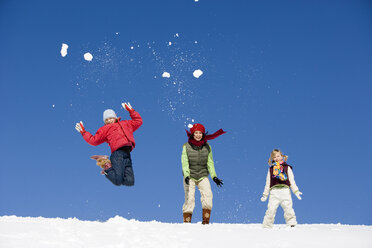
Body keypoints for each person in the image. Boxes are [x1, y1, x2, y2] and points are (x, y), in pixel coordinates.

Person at [75, 102, 143, 186]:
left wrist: (131, 111)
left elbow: (138, 121)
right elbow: (93, 140)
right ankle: (106, 165)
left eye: (110, 118)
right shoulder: (105, 129)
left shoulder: (126, 124)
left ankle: (111, 169)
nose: (109, 120)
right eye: (106, 120)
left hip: (127, 154)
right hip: (117, 154)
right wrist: (83, 132)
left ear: (115, 117)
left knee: (129, 182)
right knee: (117, 181)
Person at [181, 123, 225, 224]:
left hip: (202, 175)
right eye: (196, 133)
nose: (198, 135)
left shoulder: (207, 147)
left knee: (208, 195)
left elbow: (210, 162)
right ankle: (187, 222)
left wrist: (214, 177)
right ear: (192, 134)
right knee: (190, 197)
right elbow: (184, 162)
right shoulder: (186, 146)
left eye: (200, 133)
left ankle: (206, 221)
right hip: (190, 176)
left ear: (203, 134)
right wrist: (187, 175)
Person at [261, 149, 302, 228]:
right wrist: (265, 194)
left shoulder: (287, 167)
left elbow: (291, 180)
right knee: (271, 209)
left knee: (288, 207)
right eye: (274, 157)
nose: (277, 158)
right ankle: (267, 225)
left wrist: (296, 191)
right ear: (272, 159)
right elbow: (268, 183)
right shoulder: (271, 169)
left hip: (285, 191)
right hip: (274, 192)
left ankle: (291, 223)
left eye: (278, 156)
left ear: (281, 156)